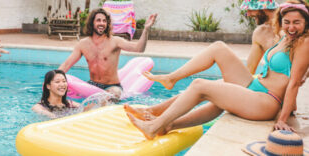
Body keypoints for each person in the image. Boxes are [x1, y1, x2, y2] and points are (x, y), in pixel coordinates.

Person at [125, 0, 309, 139]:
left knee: (200, 85)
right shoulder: (285, 37)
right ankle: (161, 114)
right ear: (281, 20)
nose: (291, 27)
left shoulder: (304, 42)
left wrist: (283, 118)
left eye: (297, 22)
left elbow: (293, 83)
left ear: (306, 23)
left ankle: (153, 126)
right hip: (256, 85)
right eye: (287, 22)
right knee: (219, 50)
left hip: (267, 101)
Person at [58, 8, 157, 99]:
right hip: (92, 85)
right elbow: (66, 65)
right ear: (92, 23)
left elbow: (139, 48)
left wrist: (146, 29)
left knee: (109, 97)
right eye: (98, 20)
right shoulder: (83, 44)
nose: (102, 23)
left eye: (104, 21)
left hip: (113, 86)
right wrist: (51, 80)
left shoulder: (115, 41)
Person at [241, 0, 280, 74]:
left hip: (278, 82)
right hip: (265, 80)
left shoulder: (289, 30)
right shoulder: (260, 33)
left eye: (250, 9)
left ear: (264, 7)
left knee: (218, 47)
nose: (248, 14)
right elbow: (250, 70)